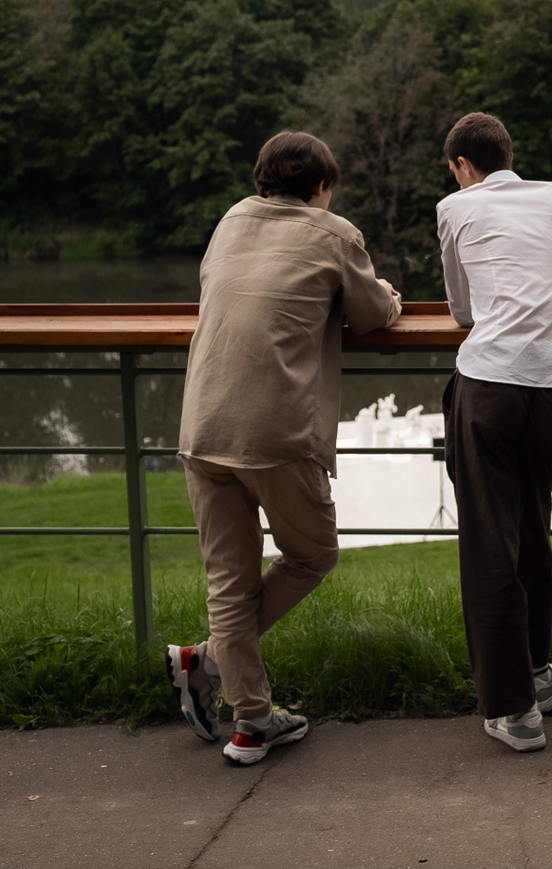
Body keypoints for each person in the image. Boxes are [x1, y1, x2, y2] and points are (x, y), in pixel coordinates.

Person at [168, 131, 403, 765]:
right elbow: (371, 314)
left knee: (228, 583)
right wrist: (390, 296)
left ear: (262, 178)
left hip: (203, 423)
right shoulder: (335, 234)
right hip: (275, 431)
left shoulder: (231, 220)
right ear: (321, 186)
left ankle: (249, 721)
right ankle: (209, 662)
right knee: (312, 555)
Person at [436, 111, 552, 753]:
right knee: (531, 523)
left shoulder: (456, 207)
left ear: (462, 165)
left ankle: (513, 710)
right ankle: (535, 671)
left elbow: (462, 309)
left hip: (492, 382)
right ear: (508, 153)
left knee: (488, 541)